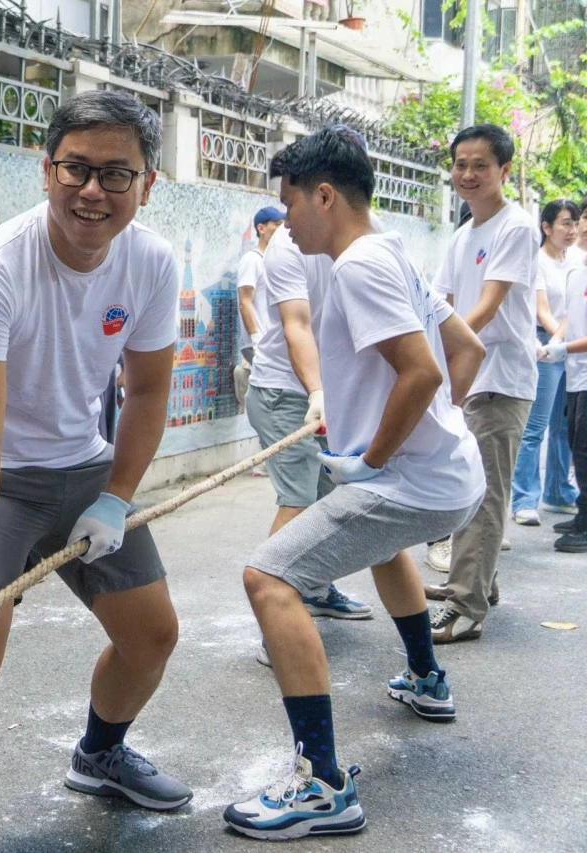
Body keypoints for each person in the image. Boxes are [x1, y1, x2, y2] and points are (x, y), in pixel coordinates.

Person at [0, 91, 189, 853]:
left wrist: (115, 497)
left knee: (153, 634)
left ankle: (100, 753)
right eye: (76, 168)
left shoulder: (153, 262)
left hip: (83, 468)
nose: (92, 190)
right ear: (46, 169)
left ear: (148, 184)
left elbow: (151, 391)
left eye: (115, 174)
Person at [226, 126, 486, 841]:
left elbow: (425, 371)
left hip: (414, 480)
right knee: (379, 542)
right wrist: (433, 433)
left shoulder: (358, 266)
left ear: (325, 195)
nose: (285, 223)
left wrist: (377, 455)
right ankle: (427, 678)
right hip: (448, 475)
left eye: (289, 205)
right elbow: (467, 348)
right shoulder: (393, 248)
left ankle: (322, 783)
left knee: (268, 578)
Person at [424, 125, 540, 645]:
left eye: (481, 166)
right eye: (461, 165)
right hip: (468, 378)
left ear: (504, 171)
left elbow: (488, 305)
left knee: (485, 492)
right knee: (468, 487)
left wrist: (453, 352)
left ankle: (465, 605)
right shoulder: (462, 233)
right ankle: (478, 583)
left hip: (500, 378)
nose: (468, 175)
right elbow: (440, 302)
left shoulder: (515, 226)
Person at [246, 222, 372, 671]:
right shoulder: (287, 246)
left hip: (332, 395)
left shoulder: (358, 238)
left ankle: (315, 590)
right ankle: (273, 627)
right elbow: (296, 323)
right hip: (287, 394)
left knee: (329, 500)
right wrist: (317, 392)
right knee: (298, 504)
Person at [510, 199, 581, 526]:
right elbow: (542, 310)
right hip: (543, 344)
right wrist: (556, 343)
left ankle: (557, 491)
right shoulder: (537, 261)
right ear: (547, 227)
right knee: (535, 426)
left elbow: (573, 312)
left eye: (574, 222)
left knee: (566, 426)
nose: (571, 229)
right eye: (564, 223)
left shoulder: (578, 260)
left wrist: (565, 344)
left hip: (569, 345)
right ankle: (524, 498)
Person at [537, 265, 587, 551]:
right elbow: (569, 316)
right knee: (575, 444)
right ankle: (583, 510)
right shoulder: (576, 274)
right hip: (576, 374)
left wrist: (565, 348)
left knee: (584, 448)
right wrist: (556, 340)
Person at [234, 207, 285, 406]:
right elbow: (244, 301)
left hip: (272, 343)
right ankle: (243, 372)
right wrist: (256, 339)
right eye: (277, 225)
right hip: (260, 344)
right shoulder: (251, 260)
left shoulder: (274, 260)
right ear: (261, 228)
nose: (282, 230)